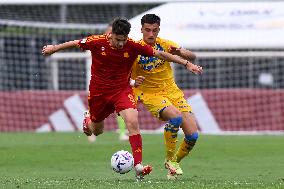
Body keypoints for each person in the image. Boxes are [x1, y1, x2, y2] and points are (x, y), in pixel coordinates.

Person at [42, 17, 201, 180]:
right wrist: (54, 48)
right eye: (118, 40)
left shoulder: (132, 45)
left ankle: (139, 166)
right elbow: (76, 43)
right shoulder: (97, 41)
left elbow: (160, 53)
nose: (121, 44)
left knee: (133, 120)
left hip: (122, 91)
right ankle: (87, 121)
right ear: (111, 35)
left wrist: (186, 63)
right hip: (99, 94)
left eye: (123, 40)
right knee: (97, 130)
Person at [131, 14, 202, 179]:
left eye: (154, 30)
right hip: (150, 94)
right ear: (141, 29)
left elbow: (192, 57)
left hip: (172, 92)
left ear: (158, 30)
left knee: (192, 136)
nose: (151, 34)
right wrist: (134, 81)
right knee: (175, 117)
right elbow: (124, 74)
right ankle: (170, 159)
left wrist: (181, 52)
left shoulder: (165, 44)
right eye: (147, 30)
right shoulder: (135, 49)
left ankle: (174, 163)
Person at [87, 23, 128, 143]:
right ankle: (90, 130)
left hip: (115, 84)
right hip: (98, 83)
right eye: (109, 32)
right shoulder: (98, 44)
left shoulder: (120, 46)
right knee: (95, 109)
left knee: (120, 108)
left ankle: (121, 133)